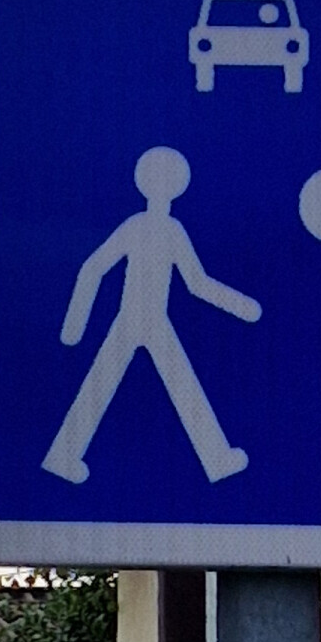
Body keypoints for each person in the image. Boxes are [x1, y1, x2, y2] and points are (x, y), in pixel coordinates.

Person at [43, 146, 260, 486]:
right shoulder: (157, 227)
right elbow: (96, 267)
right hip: (140, 317)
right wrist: (74, 326)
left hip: (147, 318)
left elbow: (194, 282)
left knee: (126, 382)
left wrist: (240, 306)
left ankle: (63, 456)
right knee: (162, 383)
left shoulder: (159, 228)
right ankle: (217, 459)